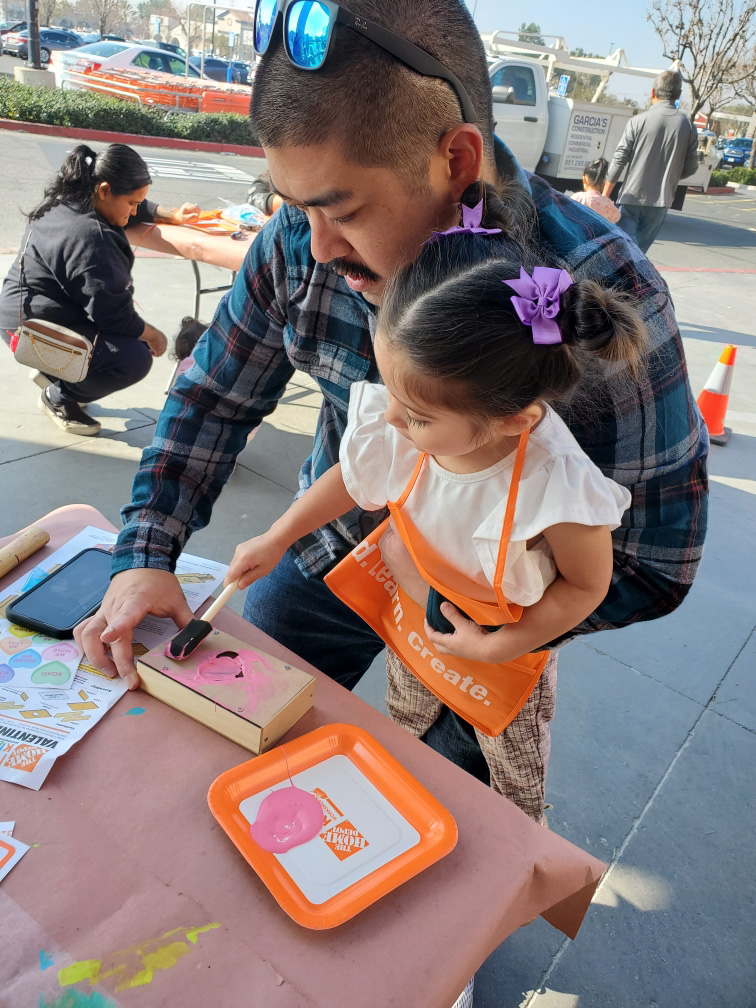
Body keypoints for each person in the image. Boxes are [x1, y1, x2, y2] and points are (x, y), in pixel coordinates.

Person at [76, 0, 707, 824]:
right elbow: (211, 396)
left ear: (456, 159)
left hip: (484, 604)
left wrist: (491, 622)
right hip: (337, 541)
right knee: (215, 758)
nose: (317, 246)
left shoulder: (594, 295)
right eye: (293, 205)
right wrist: (144, 553)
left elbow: (655, 561)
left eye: (341, 209)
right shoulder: (301, 245)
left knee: (448, 830)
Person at [223, 185, 644, 820]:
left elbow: (586, 587)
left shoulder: (558, 489)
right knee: (406, 730)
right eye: (390, 389)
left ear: (512, 422)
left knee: (495, 782)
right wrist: (278, 536)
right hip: (415, 621)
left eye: (415, 414)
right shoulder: (411, 424)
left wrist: (505, 646)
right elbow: (351, 476)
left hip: (503, 652)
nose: (389, 418)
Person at [0, 143, 200, 436]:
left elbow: (136, 202)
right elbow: (114, 317)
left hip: (21, 316)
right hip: (32, 331)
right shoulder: (91, 238)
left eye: (138, 203)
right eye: (132, 203)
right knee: (134, 356)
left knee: (124, 341)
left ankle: (58, 371)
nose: (134, 212)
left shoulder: (73, 197)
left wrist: (168, 214)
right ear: (105, 190)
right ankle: (58, 396)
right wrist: (153, 334)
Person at [603, 70, 698, 253]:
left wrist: (605, 196)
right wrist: (671, 174)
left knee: (620, 251)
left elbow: (619, 159)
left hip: (631, 197)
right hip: (661, 202)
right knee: (639, 255)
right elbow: (691, 167)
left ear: (652, 93)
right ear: (678, 95)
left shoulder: (638, 121)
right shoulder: (688, 126)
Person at [570, 157, 621, 223]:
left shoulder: (577, 198)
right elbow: (617, 217)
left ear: (584, 180)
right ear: (604, 183)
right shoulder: (607, 203)